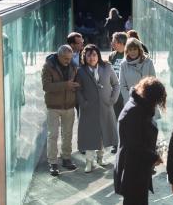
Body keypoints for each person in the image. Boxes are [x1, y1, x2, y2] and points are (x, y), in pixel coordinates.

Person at [114, 76, 167, 205]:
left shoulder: (138, 105)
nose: (156, 104)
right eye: (156, 101)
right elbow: (135, 144)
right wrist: (155, 157)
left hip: (136, 166)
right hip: (132, 168)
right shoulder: (135, 111)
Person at [76, 44, 120, 173]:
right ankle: (89, 162)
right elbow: (78, 89)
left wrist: (113, 99)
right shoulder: (80, 71)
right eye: (89, 55)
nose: (92, 58)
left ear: (98, 56)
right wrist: (83, 103)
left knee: (103, 133)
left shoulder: (107, 67)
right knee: (90, 134)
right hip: (88, 108)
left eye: (94, 55)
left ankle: (101, 158)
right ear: (85, 56)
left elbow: (116, 84)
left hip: (105, 106)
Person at [41, 45, 79, 176]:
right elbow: (46, 86)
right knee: (53, 135)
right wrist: (66, 85)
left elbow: (76, 82)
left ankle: (66, 158)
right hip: (54, 106)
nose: (68, 61)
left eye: (70, 58)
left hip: (69, 105)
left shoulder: (74, 66)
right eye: (65, 59)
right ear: (58, 56)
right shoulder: (48, 66)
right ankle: (53, 162)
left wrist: (75, 87)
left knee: (67, 134)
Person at [119, 37, 155, 105]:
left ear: (139, 50)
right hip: (131, 102)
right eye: (130, 50)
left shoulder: (148, 62)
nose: (132, 52)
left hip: (147, 101)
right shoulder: (123, 64)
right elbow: (122, 85)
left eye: (135, 49)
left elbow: (153, 82)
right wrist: (131, 99)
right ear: (127, 51)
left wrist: (148, 98)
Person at [108, 32, 128, 154]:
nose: (112, 43)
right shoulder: (112, 56)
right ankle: (115, 144)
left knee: (125, 119)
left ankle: (125, 143)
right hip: (114, 93)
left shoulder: (128, 55)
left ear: (121, 43)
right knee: (114, 118)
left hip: (125, 93)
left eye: (114, 41)